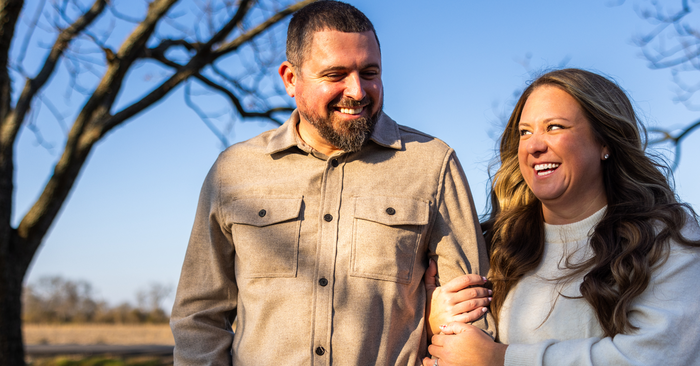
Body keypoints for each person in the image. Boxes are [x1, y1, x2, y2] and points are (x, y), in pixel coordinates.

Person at [169, 1, 494, 365]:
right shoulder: (234, 171)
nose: (357, 91)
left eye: (369, 72)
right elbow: (198, 318)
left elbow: (472, 318)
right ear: (291, 79)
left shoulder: (432, 164)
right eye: (336, 74)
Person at [424, 68, 700, 366]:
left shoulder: (664, 237)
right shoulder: (496, 245)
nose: (534, 145)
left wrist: (501, 360)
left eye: (554, 127)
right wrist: (433, 321)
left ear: (605, 142)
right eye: (525, 132)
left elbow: (659, 357)